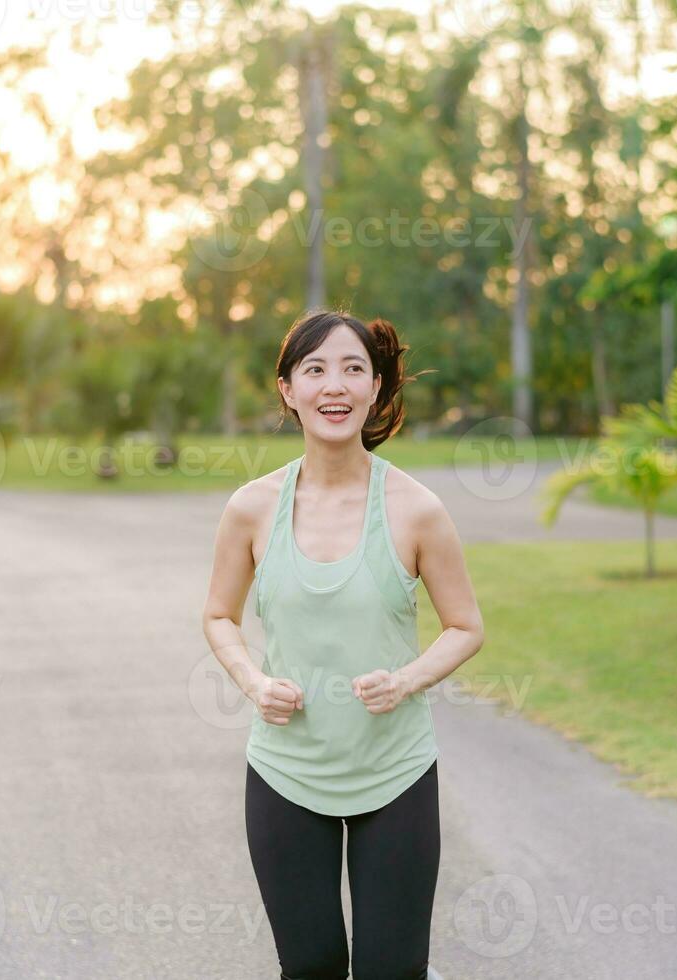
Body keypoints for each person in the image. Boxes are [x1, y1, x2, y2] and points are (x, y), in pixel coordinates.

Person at [202, 309, 486, 979]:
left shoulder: (416, 509)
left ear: (377, 389)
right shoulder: (251, 507)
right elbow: (218, 615)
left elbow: (466, 626)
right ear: (287, 390)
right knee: (312, 967)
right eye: (316, 369)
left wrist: (405, 679)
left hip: (394, 773)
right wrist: (253, 683)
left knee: (392, 971)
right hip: (286, 772)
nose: (335, 385)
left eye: (354, 368)